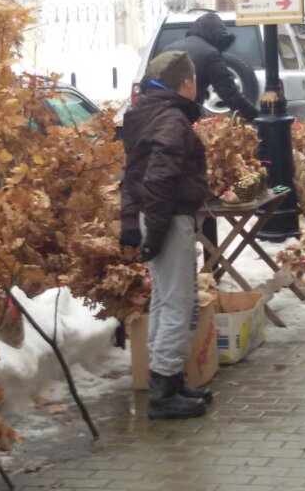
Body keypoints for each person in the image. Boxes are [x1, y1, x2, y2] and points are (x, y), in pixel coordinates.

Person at [119, 50, 213, 420]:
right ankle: (163, 392)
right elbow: (158, 180)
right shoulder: (172, 119)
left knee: (163, 301)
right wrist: (155, 235)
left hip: (156, 217)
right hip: (169, 219)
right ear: (186, 83)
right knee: (177, 303)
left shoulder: (146, 115)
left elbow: (132, 176)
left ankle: (168, 380)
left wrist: (132, 223)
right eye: (195, 81)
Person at [164, 12, 258, 122]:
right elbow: (229, 93)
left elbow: (148, 82)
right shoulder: (210, 54)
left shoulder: (168, 48)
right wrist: (255, 117)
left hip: (160, 112)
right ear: (217, 36)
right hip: (185, 114)